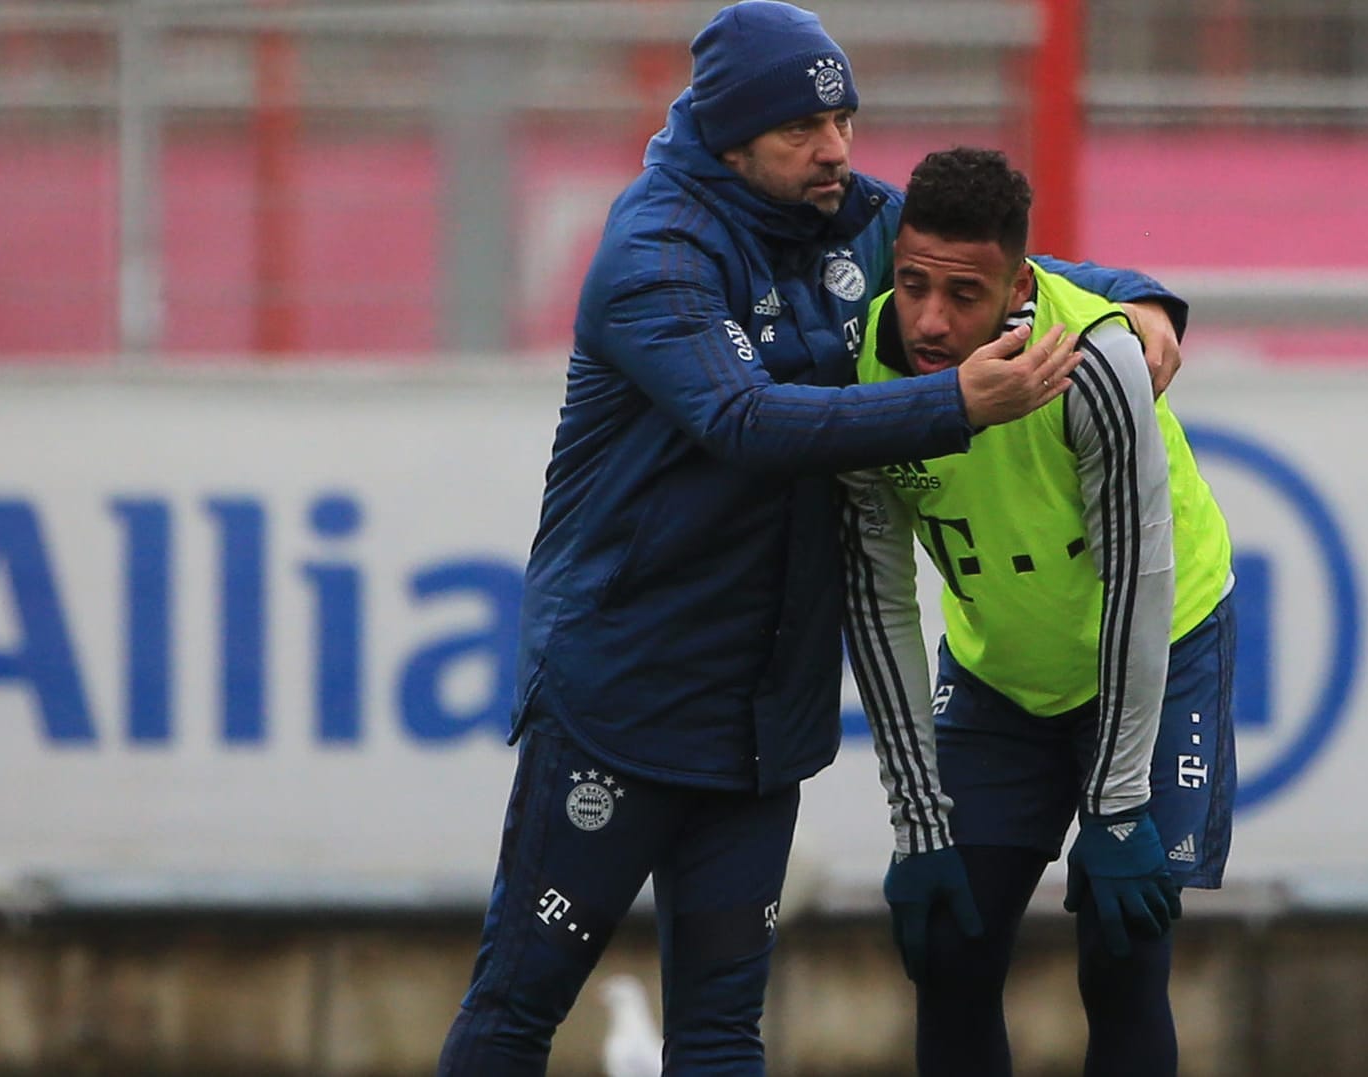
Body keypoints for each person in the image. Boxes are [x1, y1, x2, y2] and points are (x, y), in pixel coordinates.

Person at [437, 5, 1191, 1074]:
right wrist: (957, 408)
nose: (835, 146)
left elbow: (1003, 263)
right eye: (802, 127)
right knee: (519, 1009)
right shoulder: (655, 254)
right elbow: (747, 423)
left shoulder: (841, 217)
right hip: (625, 701)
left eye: (843, 117)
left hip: (760, 725)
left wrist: (1143, 304)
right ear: (731, 133)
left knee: (717, 1034)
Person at [840, 146, 1236, 1077]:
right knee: (949, 949)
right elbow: (877, 596)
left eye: (965, 294)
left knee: (1121, 951)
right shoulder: (857, 371)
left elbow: (1135, 584)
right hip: (999, 676)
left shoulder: (1095, 361)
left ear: (1021, 285)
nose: (932, 321)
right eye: (913, 285)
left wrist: (1115, 801)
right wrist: (916, 819)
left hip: (1158, 646)